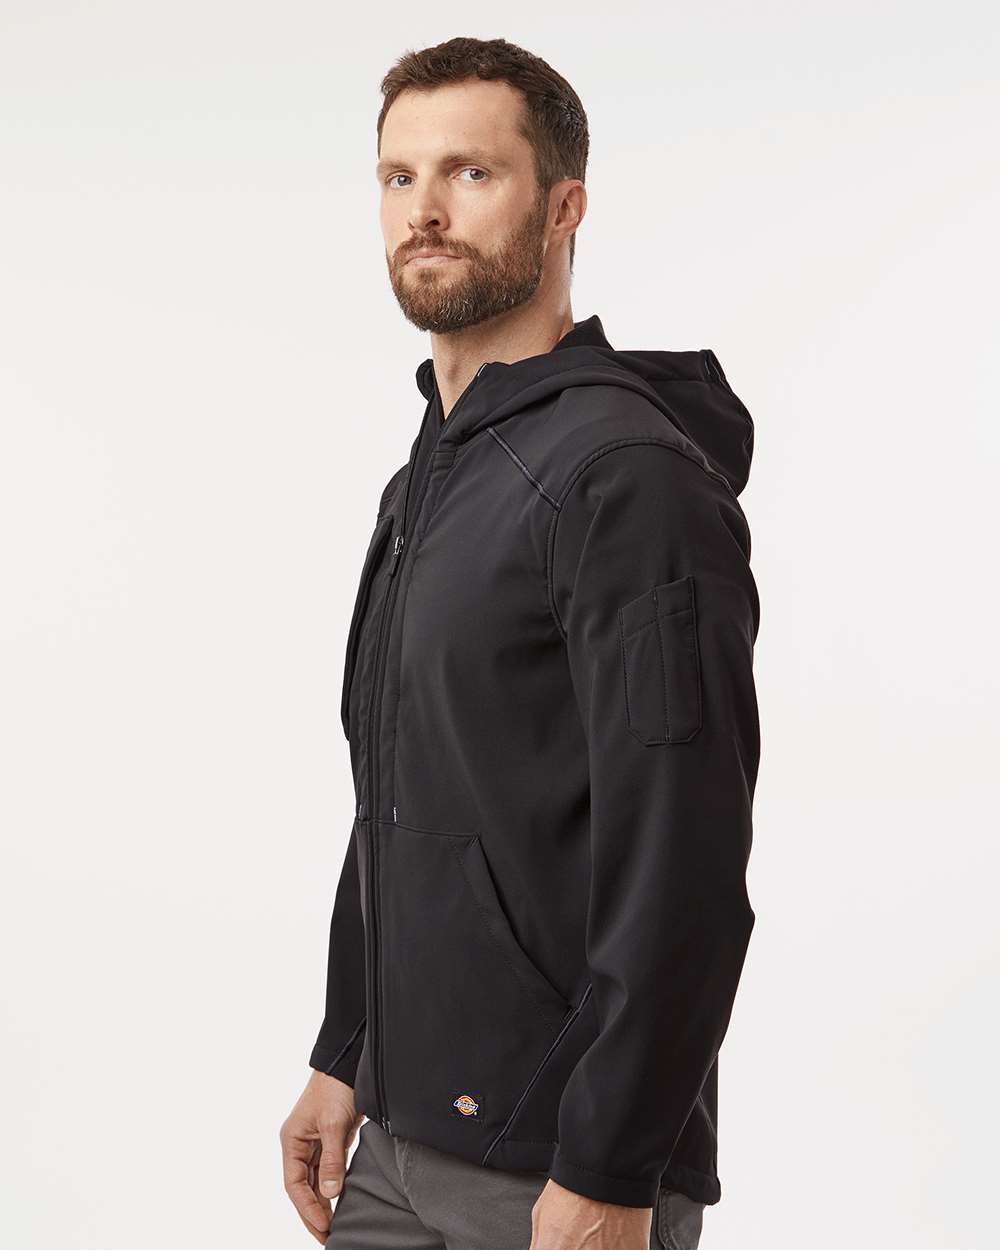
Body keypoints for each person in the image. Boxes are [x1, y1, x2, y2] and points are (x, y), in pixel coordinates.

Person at [280, 36, 760, 1250]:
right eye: (398, 177)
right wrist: (345, 1049)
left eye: (470, 173)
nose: (424, 211)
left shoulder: (627, 480)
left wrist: (610, 1165)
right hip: (397, 1142)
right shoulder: (427, 483)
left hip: (558, 1170)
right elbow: (399, 800)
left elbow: (685, 859)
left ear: (562, 208)